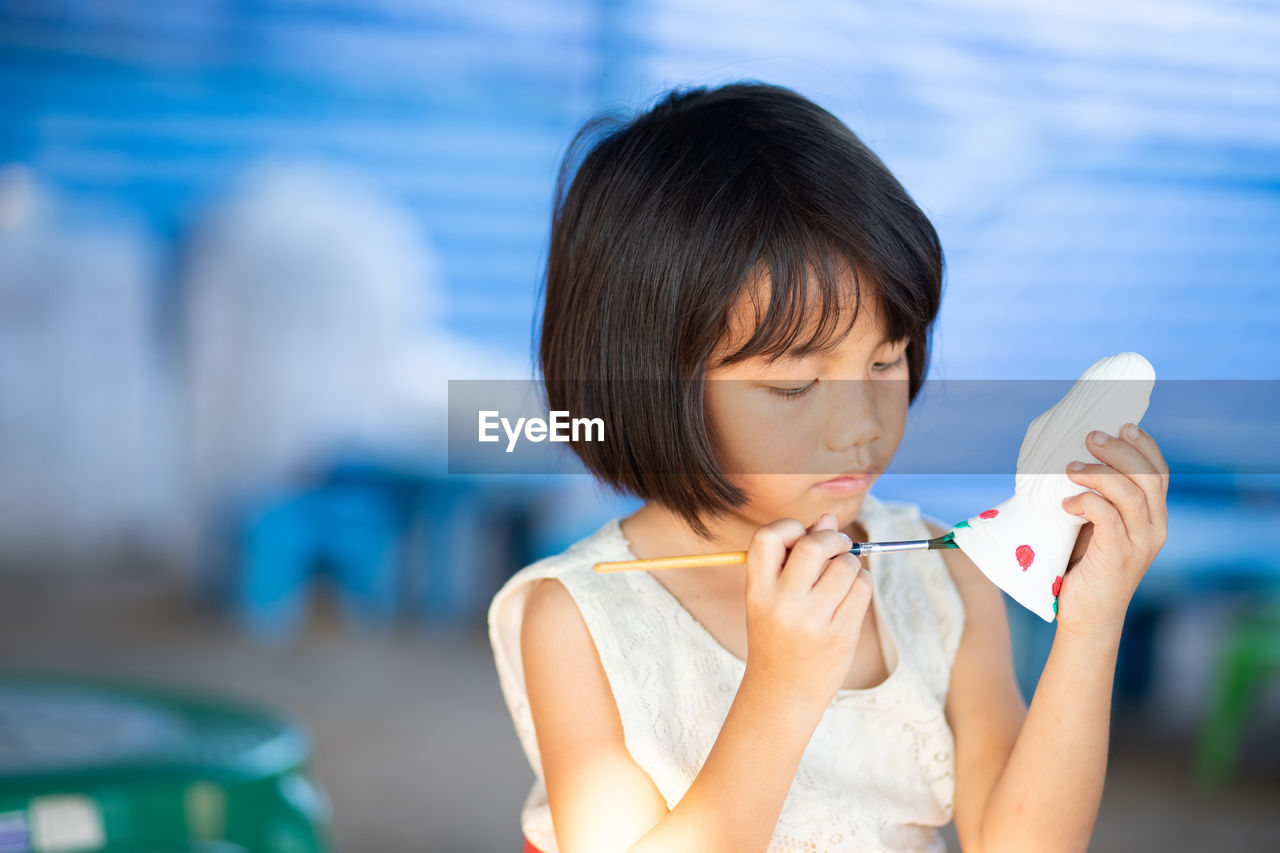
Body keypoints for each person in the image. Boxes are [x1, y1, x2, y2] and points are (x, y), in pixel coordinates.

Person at [487, 81, 1169, 853]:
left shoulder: (946, 581)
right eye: (794, 384)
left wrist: (1091, 623)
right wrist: (782, 689)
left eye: (886, 361)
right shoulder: (579, 617)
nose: (861, 426)